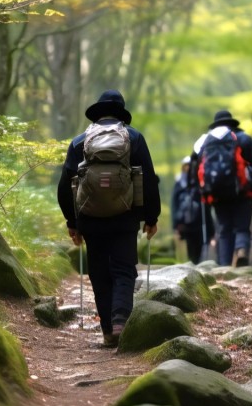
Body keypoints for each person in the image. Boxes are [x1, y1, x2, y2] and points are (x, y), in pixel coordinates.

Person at [57, 90, 160, 347]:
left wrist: (72, 222)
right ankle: (119, 322)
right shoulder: (134, 138)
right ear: (121, 113)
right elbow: (148, 178)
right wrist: (151, 216)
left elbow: (64, 186)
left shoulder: (80, 142)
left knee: (99, 272)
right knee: (124, 270)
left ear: (98, 113)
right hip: (126, 217)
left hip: (90, 218)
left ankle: (106, 331)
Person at [196, 110, 252, 267]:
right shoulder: (242, 139)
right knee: (242, 226)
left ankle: (225, 265)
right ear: (232, 123)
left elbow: (197, 168)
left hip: (216, 194)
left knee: (225, 228)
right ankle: (241, 250)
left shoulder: (206, 143)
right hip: (243, 191)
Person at [170, 155, 214, 264]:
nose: (188, 168)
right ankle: (193, 263)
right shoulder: (180, 182)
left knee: (198, 244)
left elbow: (206, 206)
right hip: (186, 221)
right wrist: (176, 223)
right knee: (191, 245)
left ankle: (196, 263)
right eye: (186, 166)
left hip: (198, 220)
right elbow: (175, 203)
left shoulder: (199, 181)